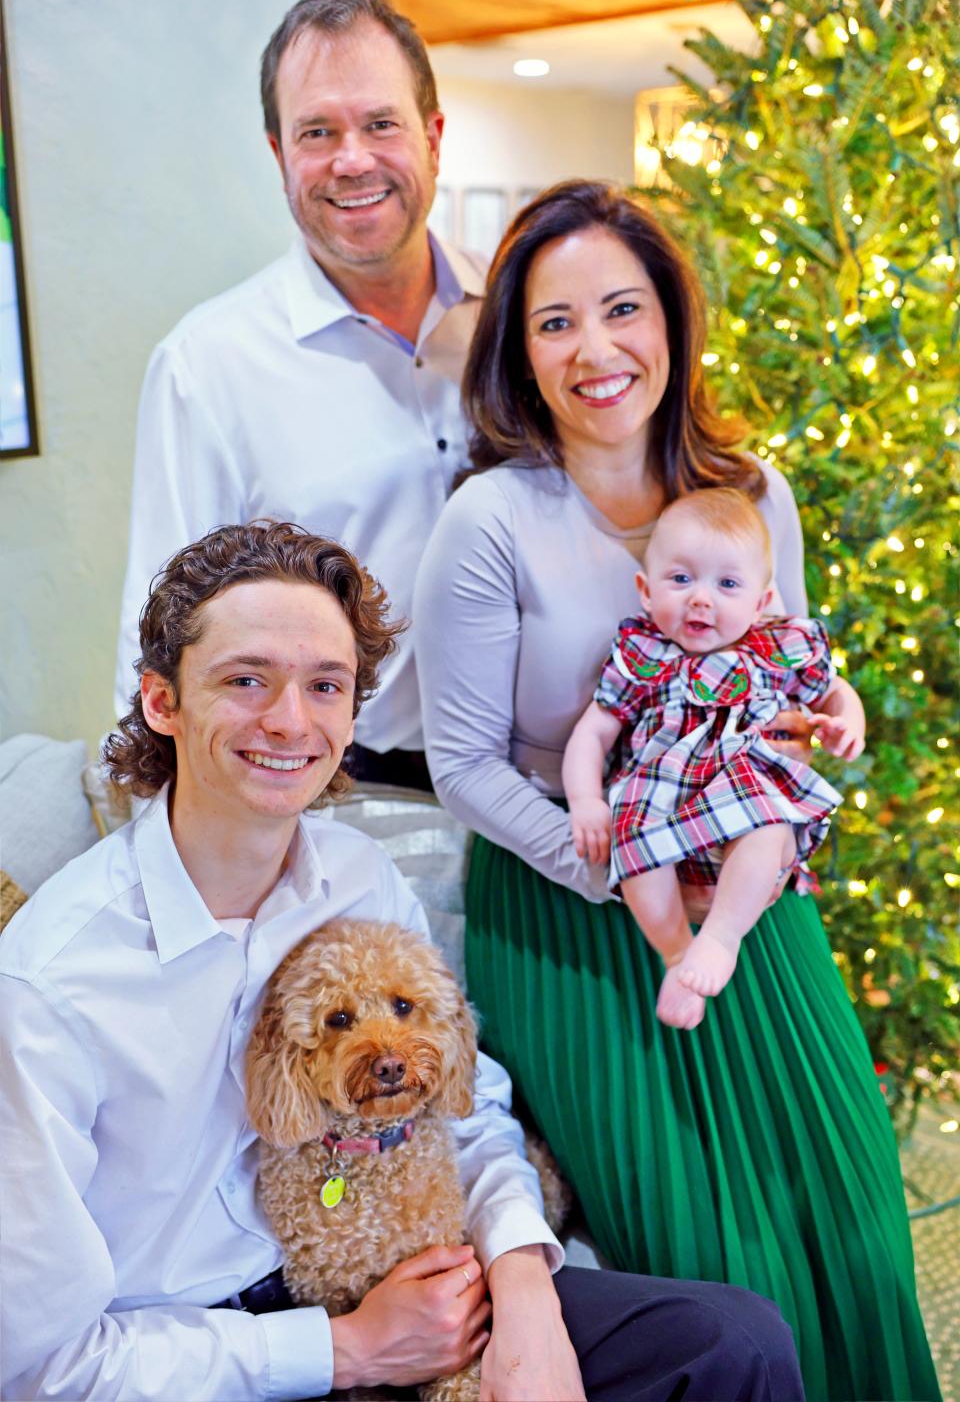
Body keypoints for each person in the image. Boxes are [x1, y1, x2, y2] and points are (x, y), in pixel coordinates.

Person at [0, 520, 804, 1402]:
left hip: (401, 1268)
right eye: (245, 680)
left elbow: (464, 1104)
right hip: (195, 1355)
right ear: (162, 701)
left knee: (735, 1345)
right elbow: (43, 1365)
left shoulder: (357, 877)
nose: (289, 720)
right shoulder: (49, 985)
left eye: (324, 685)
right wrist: (347, 1351)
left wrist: (523, 1288)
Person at [413, 181, 940, 1402]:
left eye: (622, 309)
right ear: (519, 351)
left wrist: (818, 731)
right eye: (554, 323)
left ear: (671, 321)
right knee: (701, 1236)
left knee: (848, 1194)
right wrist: (608, 860)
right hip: (572, 910)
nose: (595, 350)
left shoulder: (753, 489)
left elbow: (786, 668)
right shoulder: (489, 523)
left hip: (749, 898)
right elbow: (467, 767)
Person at [115, 0, 485, 789]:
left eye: (380, 123)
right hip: (336, 796)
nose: (352, 158)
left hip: (552, 790)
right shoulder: (207, 366)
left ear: (432, 137)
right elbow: (158, 644)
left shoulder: (523, 321)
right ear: (281, 154)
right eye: (318, 131)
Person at [563, 487, 865, 1029]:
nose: (701, 598)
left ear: (761, 600)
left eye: (727, 584)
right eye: (681, 579)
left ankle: (722, 939)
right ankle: (677, 953)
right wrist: (585, 800)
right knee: (636, 851)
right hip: (660, 790)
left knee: (769, 828)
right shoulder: (644, 653)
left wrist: (849, 722)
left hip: (747, 778)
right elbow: (594, 732)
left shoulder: (779, 646)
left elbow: (834, 691)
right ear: (646, 590)